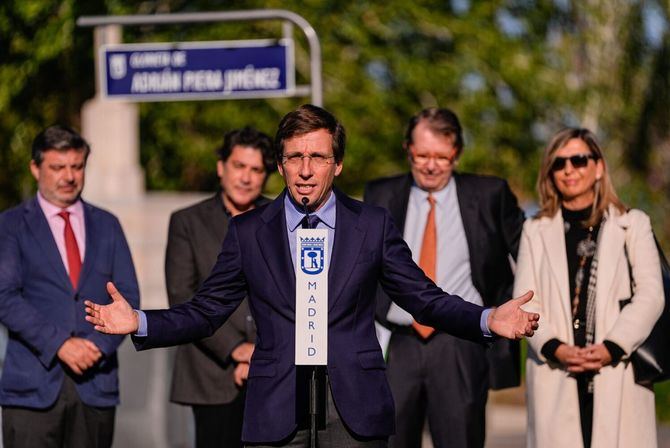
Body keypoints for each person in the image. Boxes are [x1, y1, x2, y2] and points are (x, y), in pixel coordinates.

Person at [84, 104, 539, 447]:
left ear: (337, 164)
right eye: (294, 157)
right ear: (280, 164)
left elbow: (424, 298)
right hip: (276, 404)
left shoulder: (372, 225)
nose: (305, 171)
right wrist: (142, 322)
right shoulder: (248, 232)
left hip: (354, 407)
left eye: (318, 157)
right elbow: (206, 311)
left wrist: (486, 319)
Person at [364, 107, 526, 448]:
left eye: (442, 156)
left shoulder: (488, 195)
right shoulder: (380, 195)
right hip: (398, 343)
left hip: (460, 342)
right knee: (386, 440)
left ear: (457, 153)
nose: (431, 165)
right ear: (408, 149)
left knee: (460, 439)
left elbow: (531, 252)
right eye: (422, 155)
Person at [515, 127, 664, 448]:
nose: (569, 169)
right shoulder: (534, 229)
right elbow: (525, 301)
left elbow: (651, 295)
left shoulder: (633, 223)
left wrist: (612, 346)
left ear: (598, 167)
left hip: (618, 370)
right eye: (559, 163)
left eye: (579, 159)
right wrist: (556, 347)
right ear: (550, 173)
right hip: (555, 372)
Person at [0, 125, 140, 448]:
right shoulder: (11, 225)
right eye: (58, 167)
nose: (69, 176)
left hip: (95, 385)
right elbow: (5, 297)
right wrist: (60, 343)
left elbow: (128, 296)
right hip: (31, 389)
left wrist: (97, 346)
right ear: (35, 168)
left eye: (77, 166)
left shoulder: (107, 225)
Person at [166, 126, 275, 448]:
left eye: (256, 170)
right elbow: (183, 296)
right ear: (220, 167)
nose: (246, 177)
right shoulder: (188, 222)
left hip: (273, 372)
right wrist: (236, 350)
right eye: (239, 166)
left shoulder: (281, 217)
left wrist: (262, 354)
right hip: (211, 374)